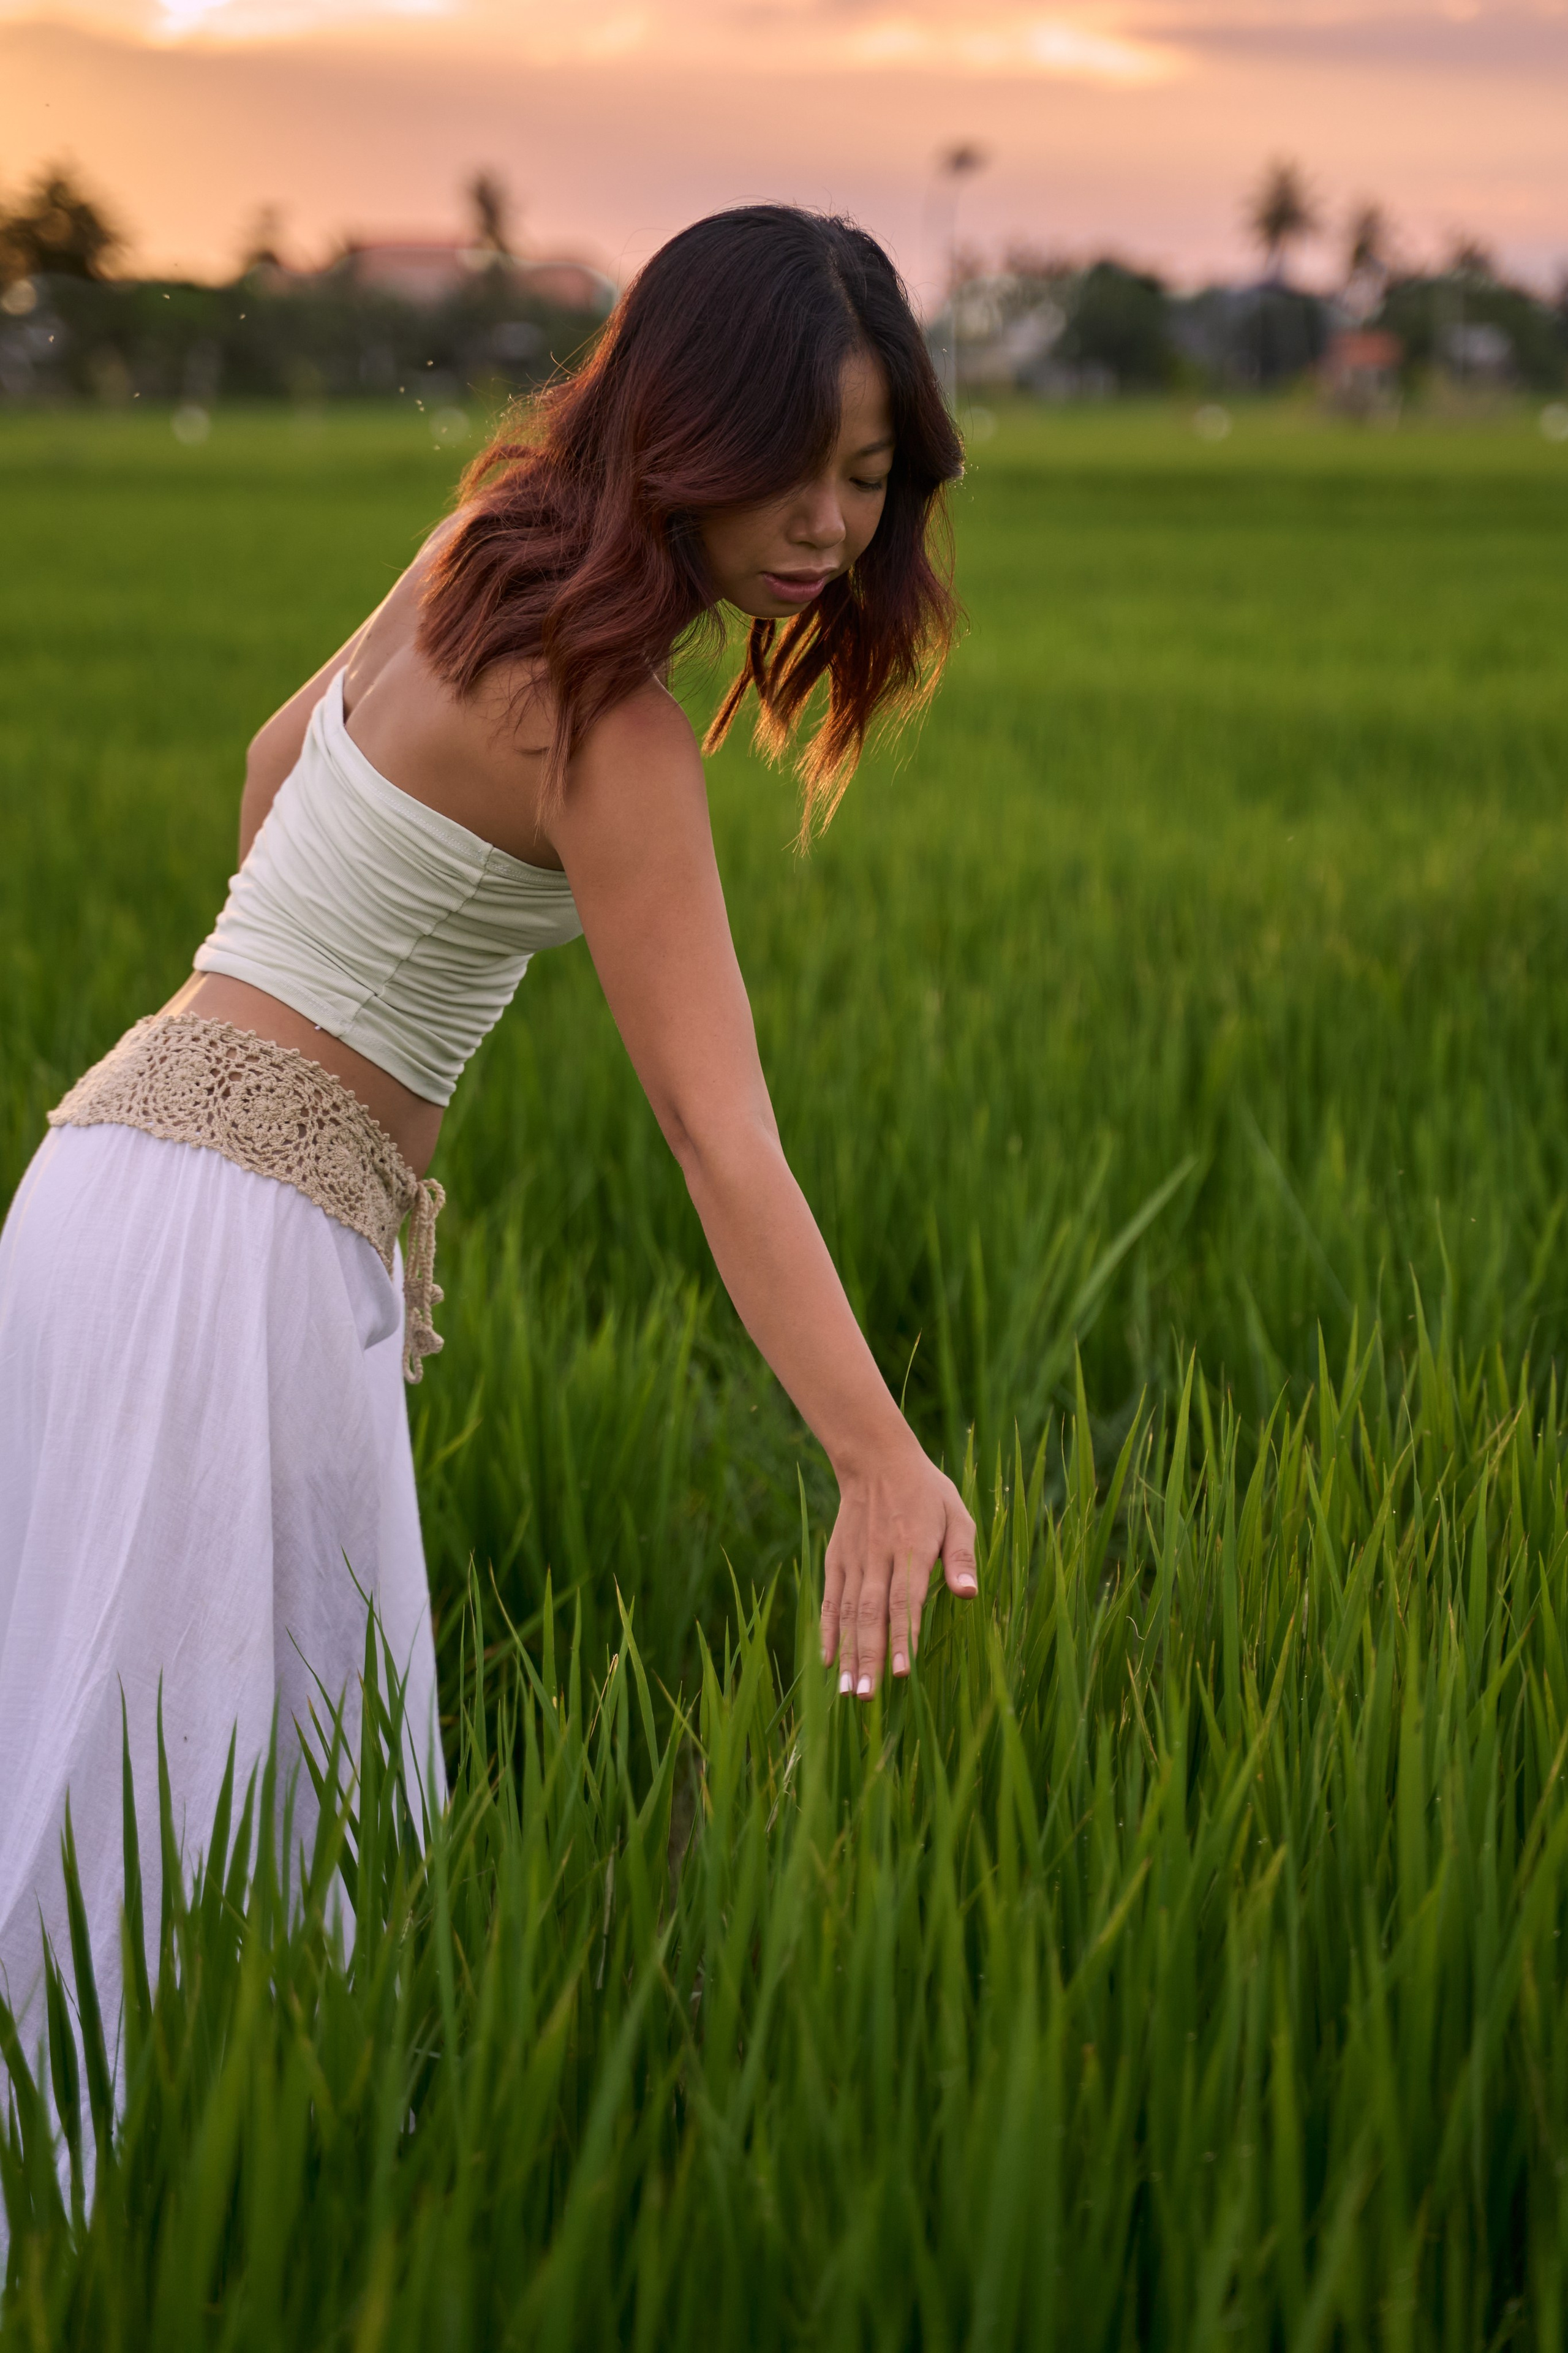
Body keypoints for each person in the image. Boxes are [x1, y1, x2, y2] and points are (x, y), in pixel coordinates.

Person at [0, 205, 979, 2063]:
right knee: (216, 1853)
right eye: (790, 465)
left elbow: (276, 763)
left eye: (867, 477)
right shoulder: (613, 728)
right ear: (688, 421)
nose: (831, 526)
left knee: (94, 1778)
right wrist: (876, 1452)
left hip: (107, 1169)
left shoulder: (476, 552)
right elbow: (717, 1133)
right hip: (244, 1245)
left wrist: (330, 995)